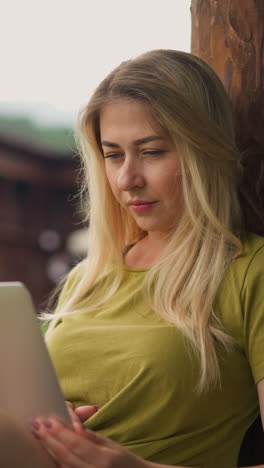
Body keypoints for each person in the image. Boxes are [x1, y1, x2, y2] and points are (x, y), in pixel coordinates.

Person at [2, 49, 264, 467]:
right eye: (113, 154)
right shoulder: (88, 277)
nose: (127, 179)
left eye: (153, 151)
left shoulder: (250, 274)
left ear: (205, 151)